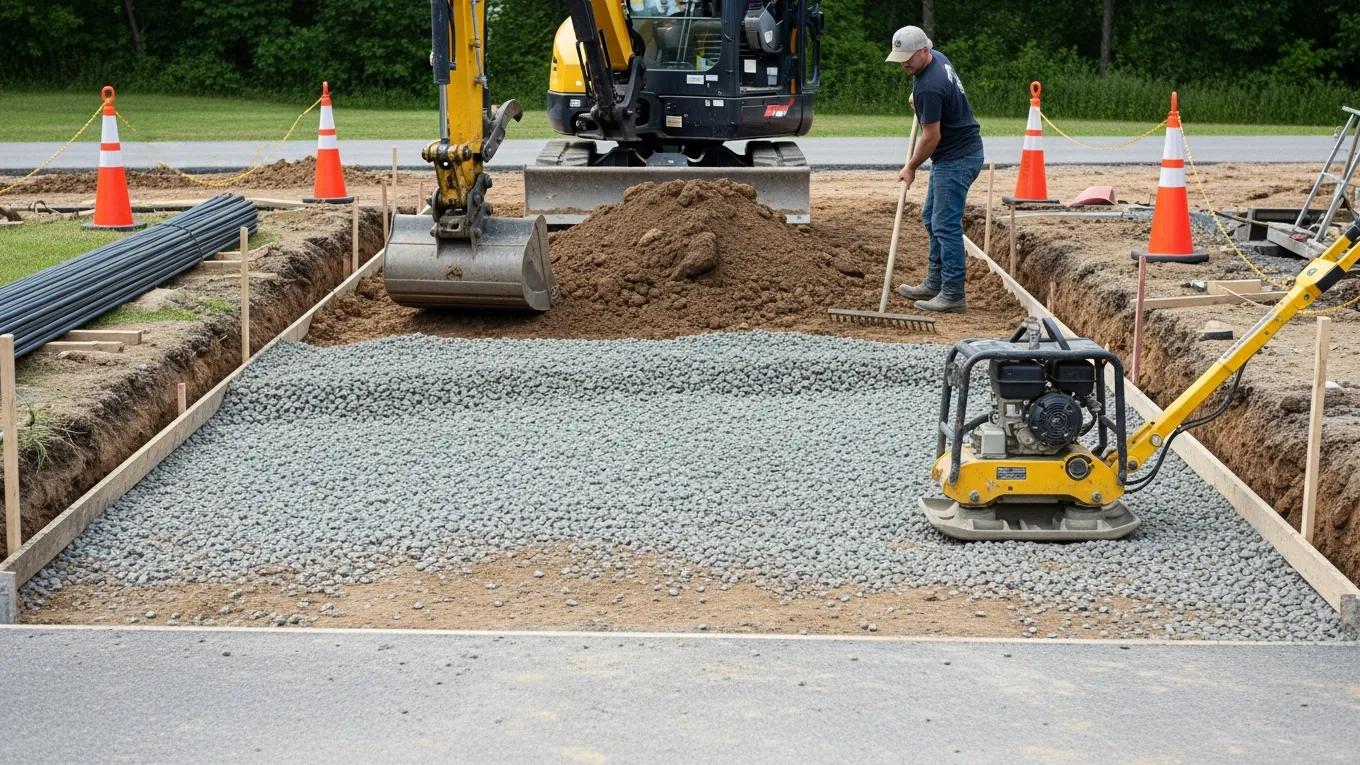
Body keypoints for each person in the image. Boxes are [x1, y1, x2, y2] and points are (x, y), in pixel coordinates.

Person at [885, 26, 985, 313]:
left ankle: (953, 293)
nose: (904, 63)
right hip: (959, 154)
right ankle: (934, 282)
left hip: (958, 158)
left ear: (924, 51)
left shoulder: (929, 85)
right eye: (900, 58)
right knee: (931, 217)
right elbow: (931, 99)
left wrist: (911, 167)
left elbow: (931, 137)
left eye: (908, 58)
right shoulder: (936, 61)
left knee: (944, 224)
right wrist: (917, 101)